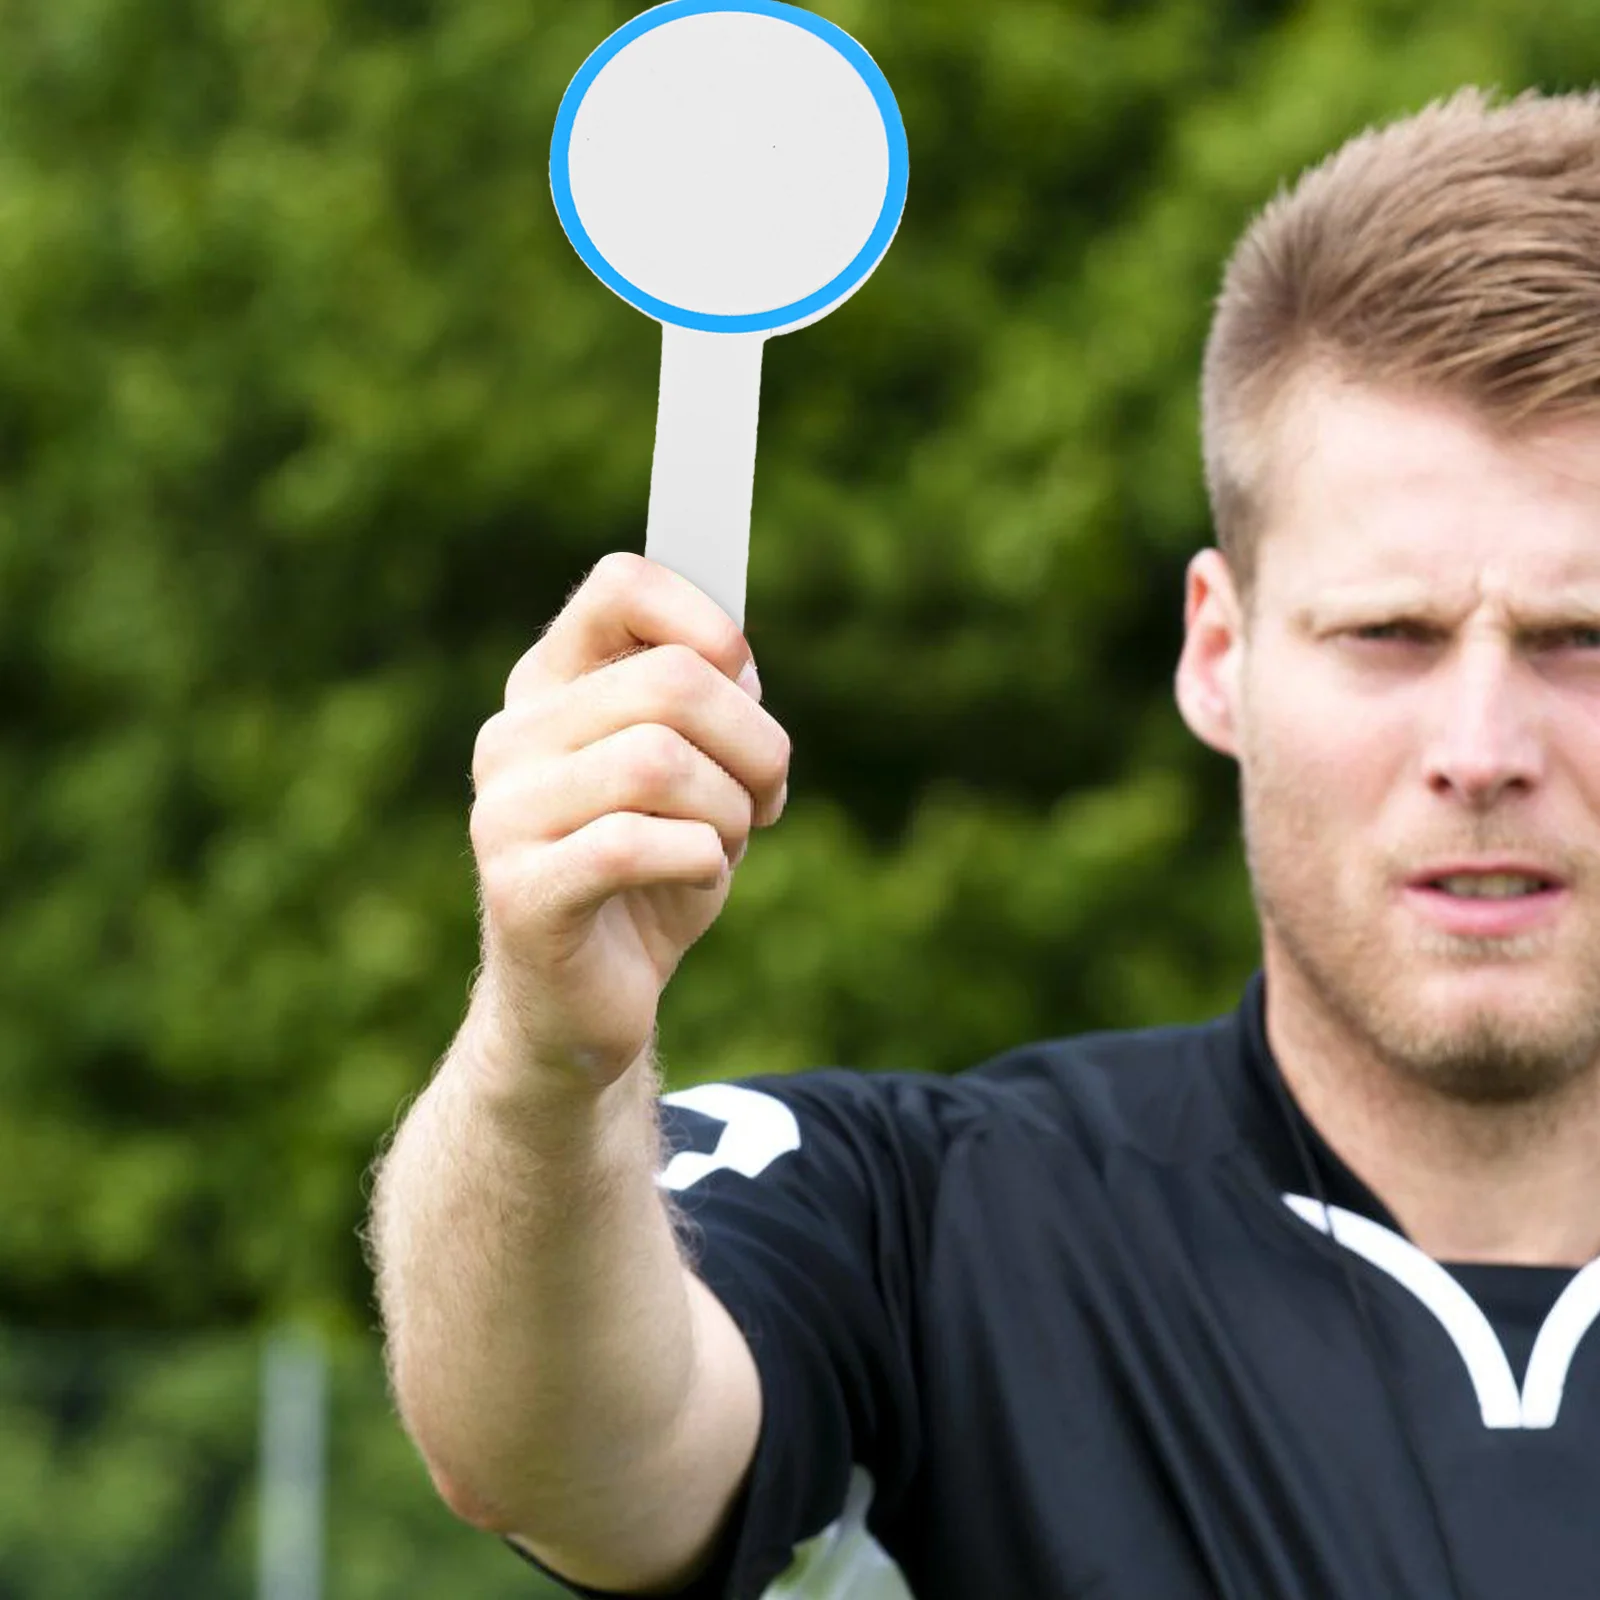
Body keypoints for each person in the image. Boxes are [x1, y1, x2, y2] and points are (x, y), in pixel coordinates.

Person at [364, 85, 1600, 1599]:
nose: (1484, 751)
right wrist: (547, 1054)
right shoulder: (950, 1217)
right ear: (1220, 652)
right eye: (1389, 633)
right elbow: (550, 1455)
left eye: (1582, 639)